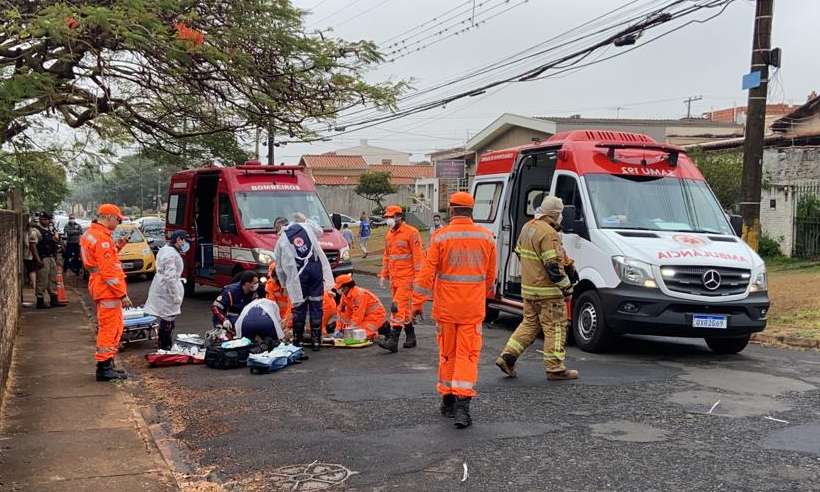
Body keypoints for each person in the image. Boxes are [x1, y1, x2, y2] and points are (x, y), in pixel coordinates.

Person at [412, 192, 496, 429]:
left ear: (451, 210)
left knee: (447, 354)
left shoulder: (440, 237)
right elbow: (491, 277)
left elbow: (426, 275)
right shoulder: (487, 237)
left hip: (446, 309)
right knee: (467, 356)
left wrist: (417, 302)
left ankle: (447, 401)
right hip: (472, 309)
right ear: (471, 211)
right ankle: (462, 408)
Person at [495, 196, 578, 382]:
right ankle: (555, 369)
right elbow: (552, 267)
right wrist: (567, 287)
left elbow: (519, 252)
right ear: (555, 214)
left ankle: (507, 357)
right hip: (547, 293)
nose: (562, 217)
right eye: (561, 213)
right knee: (555, 327)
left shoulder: (528, 227)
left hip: (529, 290)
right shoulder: (549, 233)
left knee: (529, 325)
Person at [80, 204, 132, 381]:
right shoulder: (101, 238)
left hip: (100, 286)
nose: (118, 223)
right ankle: (104, 367)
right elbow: (108, 270)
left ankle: (107, 364)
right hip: (107, 289)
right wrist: (122, 294)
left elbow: (102, 260)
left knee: (111, 326)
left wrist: (119, 245)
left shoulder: (92, 234)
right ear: (108, 217)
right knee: (110, 328)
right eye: (118, 219)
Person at [273, 213, 334, 351]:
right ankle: (316, 341)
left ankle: (298, 341)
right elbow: (320, 231)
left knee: (299, 308)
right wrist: (305, 219)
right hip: (316, 270)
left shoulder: (281, 241)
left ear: (277, 228)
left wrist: (283, 285)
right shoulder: (304, 226)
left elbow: (280, 268)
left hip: (298, 277)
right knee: (316, 305)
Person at [378, 204, 424, 352]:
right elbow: (387, 256)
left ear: (399, 216)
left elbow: (418, 257)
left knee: (396, 308)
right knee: (404, 309)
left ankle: (393, 340)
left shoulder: (412, 233)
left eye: (391, 217)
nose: (389, 220)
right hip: (395, 279)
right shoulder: (389, 235)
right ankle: (411, 336)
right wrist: (383, 275)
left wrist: (418, 279)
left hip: (407, 279)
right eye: (387, 217)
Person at [143, 230, 190, 350]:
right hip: (167, 290)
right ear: (179, 239)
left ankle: (164, 343)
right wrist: (175, 296)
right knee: (168, 319)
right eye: (185, 240)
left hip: (162, 287)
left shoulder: (166, 249)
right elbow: (170, 278)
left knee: (166, 318)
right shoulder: (171, 254)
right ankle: (165, 345)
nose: (186, 244)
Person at [334, 273, 388, 340]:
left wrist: (349, 330)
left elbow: (358, 315)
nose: (338, 290)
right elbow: (341, 313)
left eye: (339, 288)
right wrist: (338, 329)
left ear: (346, 287)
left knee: (358, 334)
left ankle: (381, 329)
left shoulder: (359, 295)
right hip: (364, 317)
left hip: (376, 317)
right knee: (350, 333)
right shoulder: (345, 296)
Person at [211, 271, 259, 337]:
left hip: (241, 320)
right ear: (247, 283)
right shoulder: (230, 291)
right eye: (255, 283)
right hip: (226, 321)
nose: (257, 285)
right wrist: (224, 320)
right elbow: (215, 307)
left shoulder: (253, 292)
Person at [32, 212, 62, 309]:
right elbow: (33, 246)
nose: (47, 221)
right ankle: (40, 301)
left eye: (48, 219)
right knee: (42, 280)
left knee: (52, 279)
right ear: (41, 219)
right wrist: (38, 259)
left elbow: (54, 241)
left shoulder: (49, 229)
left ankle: (54, 299)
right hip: (43, 257)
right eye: (45, 219)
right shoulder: (35, 231)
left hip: (50, 257)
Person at [23, 220, 37, 289]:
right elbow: (28, 244)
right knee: (31, 270)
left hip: (30, 255)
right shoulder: (28, 234)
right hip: (29, 255)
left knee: (31, 270)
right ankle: (33, 283)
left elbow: (27, 244)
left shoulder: (30, 233)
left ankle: (33, 283)